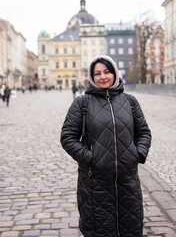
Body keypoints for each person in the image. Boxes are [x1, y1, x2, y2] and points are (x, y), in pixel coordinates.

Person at [60, 55, 152, 237]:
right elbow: (68, 137)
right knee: (99, 229)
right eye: (97, 73)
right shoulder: (82, 103)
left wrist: (137, 154)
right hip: (95, 182)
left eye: (107, 72)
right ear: (91, 77)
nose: (103, 77)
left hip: (127, 180)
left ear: (115, 74)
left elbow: (144, 133)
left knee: (130, 228)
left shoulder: (130, 101)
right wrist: (91, 159)